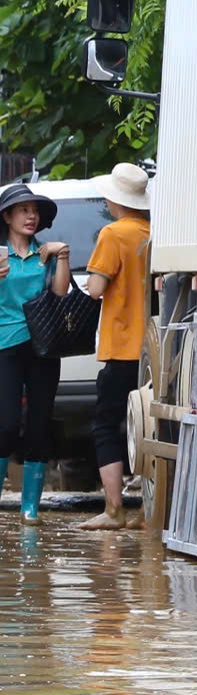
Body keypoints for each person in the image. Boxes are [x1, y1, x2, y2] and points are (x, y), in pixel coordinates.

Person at [74, 164, 152, 531]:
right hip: (154, 349)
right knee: (149, 427)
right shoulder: (154, 233)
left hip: (121, 347)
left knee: (107, 425)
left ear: (112, 200)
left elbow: (95, 289)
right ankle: (151, 510)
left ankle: (114, 509)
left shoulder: (113, 234)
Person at [0, 183, 72, 523]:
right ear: (8, 216)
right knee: (6, 424)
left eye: (35, 210)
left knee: (40, 423)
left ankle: (30, 507)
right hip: (5, 346)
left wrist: (62, 257)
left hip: (44, 346)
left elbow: (59, 294)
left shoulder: (45, 253)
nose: (31, 216)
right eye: (23, 210)